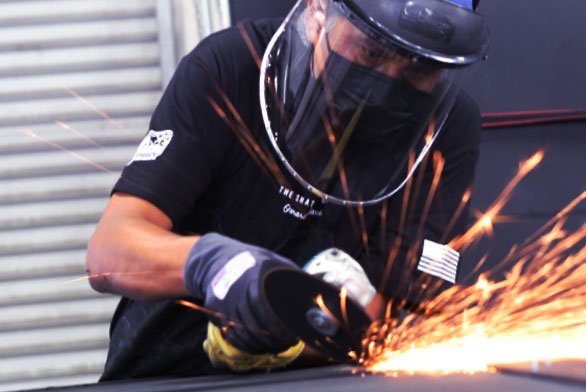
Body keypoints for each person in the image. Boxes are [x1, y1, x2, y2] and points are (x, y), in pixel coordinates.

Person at [86, 0, 488, 380]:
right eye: (371, 52)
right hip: (172, 372)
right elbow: (110, 252)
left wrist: (309, 326)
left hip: (325, 379)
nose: (386, 83)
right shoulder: (231, 69)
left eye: (419, 68)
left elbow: (407, 315)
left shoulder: (447, 129)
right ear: (317, 8)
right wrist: (215, 264)